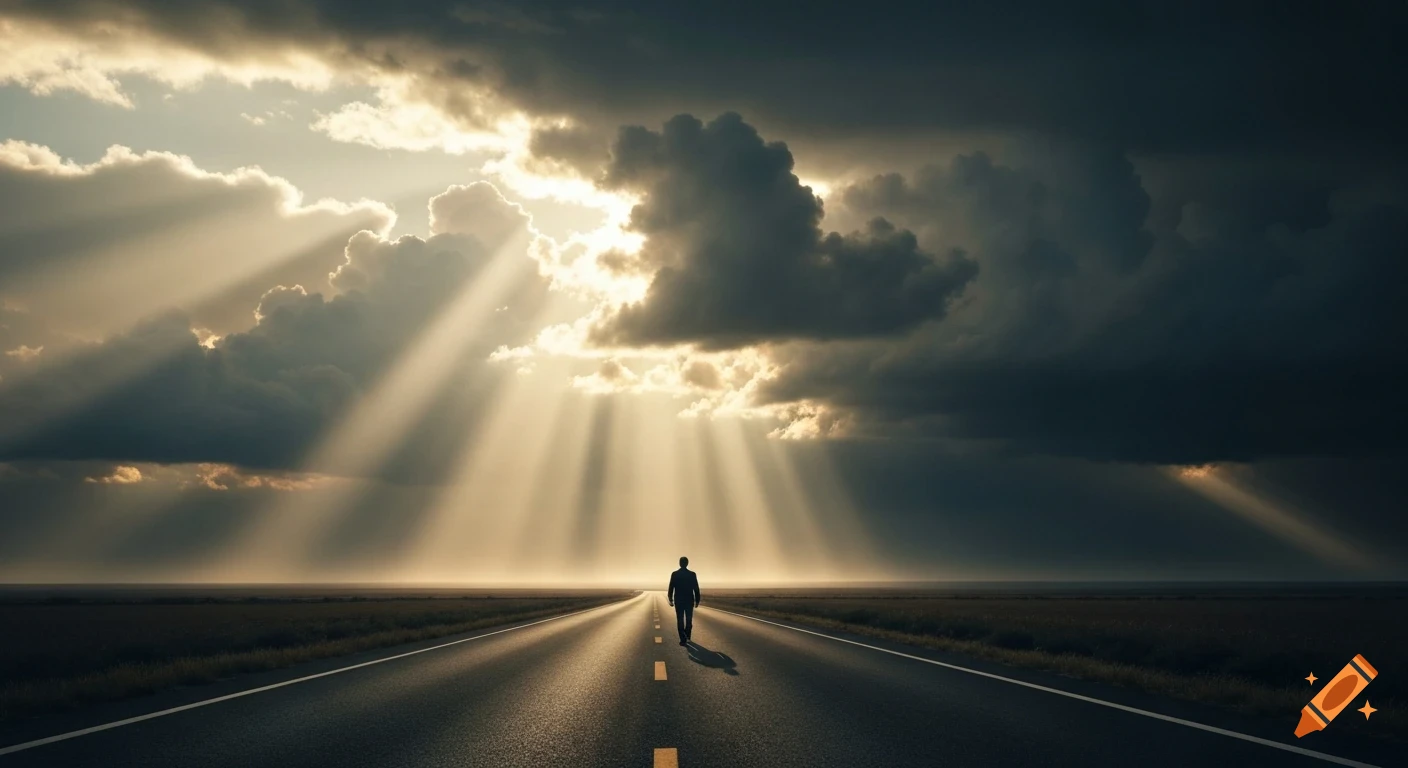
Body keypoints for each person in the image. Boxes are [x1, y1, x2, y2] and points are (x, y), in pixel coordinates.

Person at [667, 556, 701, 646]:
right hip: (689, 600)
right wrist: (697, 600)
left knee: (680, 619)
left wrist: (670, 599)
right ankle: (687, 636)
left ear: (680, 563)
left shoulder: (675, 574)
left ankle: (683, 638)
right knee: (688, 619)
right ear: (687, 563)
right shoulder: (692, 574)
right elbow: (696, 588)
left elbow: (671, 588)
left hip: (679, 600)